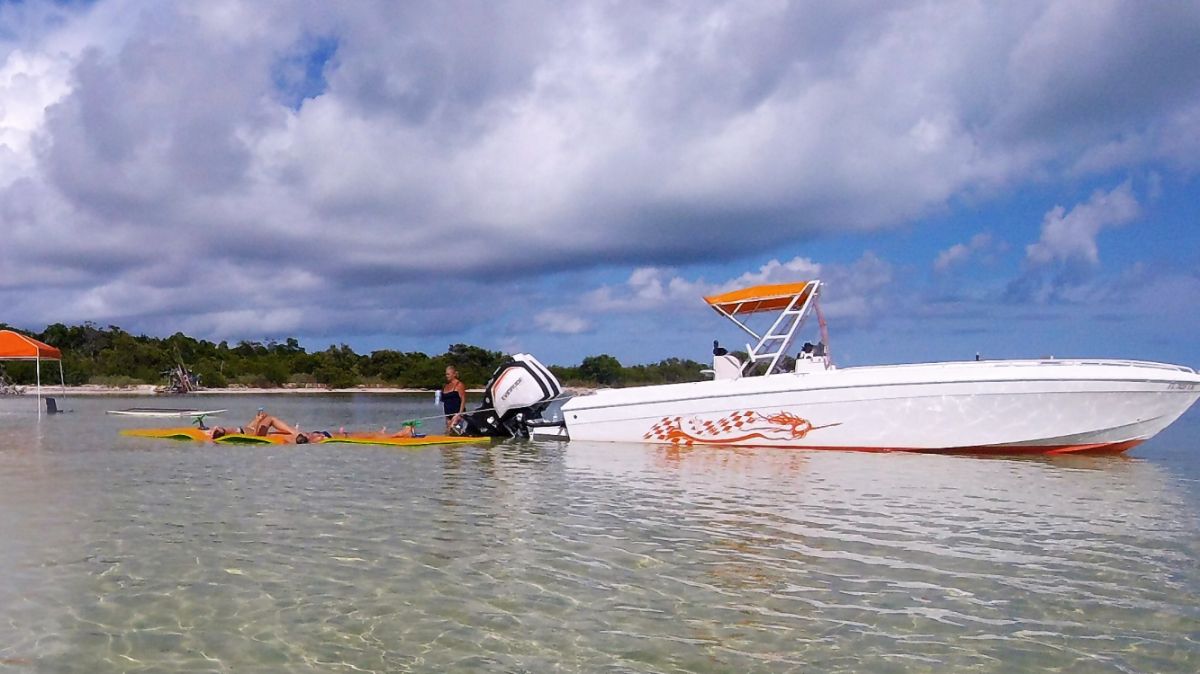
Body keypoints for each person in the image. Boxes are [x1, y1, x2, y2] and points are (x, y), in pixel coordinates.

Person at [441, 365, 467, 432]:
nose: (447, 376)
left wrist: (459, 414)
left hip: (457, 414)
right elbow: (445, 402)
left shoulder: (459, 385)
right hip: (448, 415)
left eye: (448, 374)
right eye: (446, 374)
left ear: (454, 374)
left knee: (454, 429)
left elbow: (463, 400)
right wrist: (446, 416)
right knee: (448, 432)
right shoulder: (446, 386)